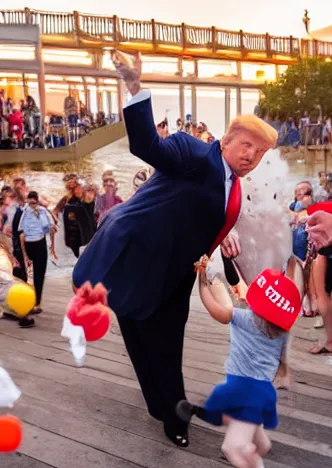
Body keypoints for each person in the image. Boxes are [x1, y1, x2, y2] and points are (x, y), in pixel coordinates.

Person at [72, 50, 278, 448]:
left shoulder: (232, 182)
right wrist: (135, 87)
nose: (252, 156)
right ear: (228, 140)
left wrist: (220, 238)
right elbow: (147, 145)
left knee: (161, 335)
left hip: (174, 269)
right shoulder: (194, 152)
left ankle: (166, 407)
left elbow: (204, 214)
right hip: (134, 256)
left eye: (261, 153)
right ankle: (170, 409)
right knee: (143, 329)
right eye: (248, 145)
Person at [176, 267, 300, 468]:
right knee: (253, 427)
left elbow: (216, 310)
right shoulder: (281, 333)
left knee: (231, 447)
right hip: (263, 391)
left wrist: (202, 283)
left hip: (243, 391)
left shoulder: (244, 318)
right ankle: (260, 447)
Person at [18, 191, 56, 314]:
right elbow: (22, 233)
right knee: (33, 275)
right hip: (35, 244)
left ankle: (36, 302)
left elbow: (52, 228)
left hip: (37, 243)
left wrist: (53, 246)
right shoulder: (25, 212)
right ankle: (32, 302)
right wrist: (24, 254)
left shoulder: (38, 211)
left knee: (36, 275)